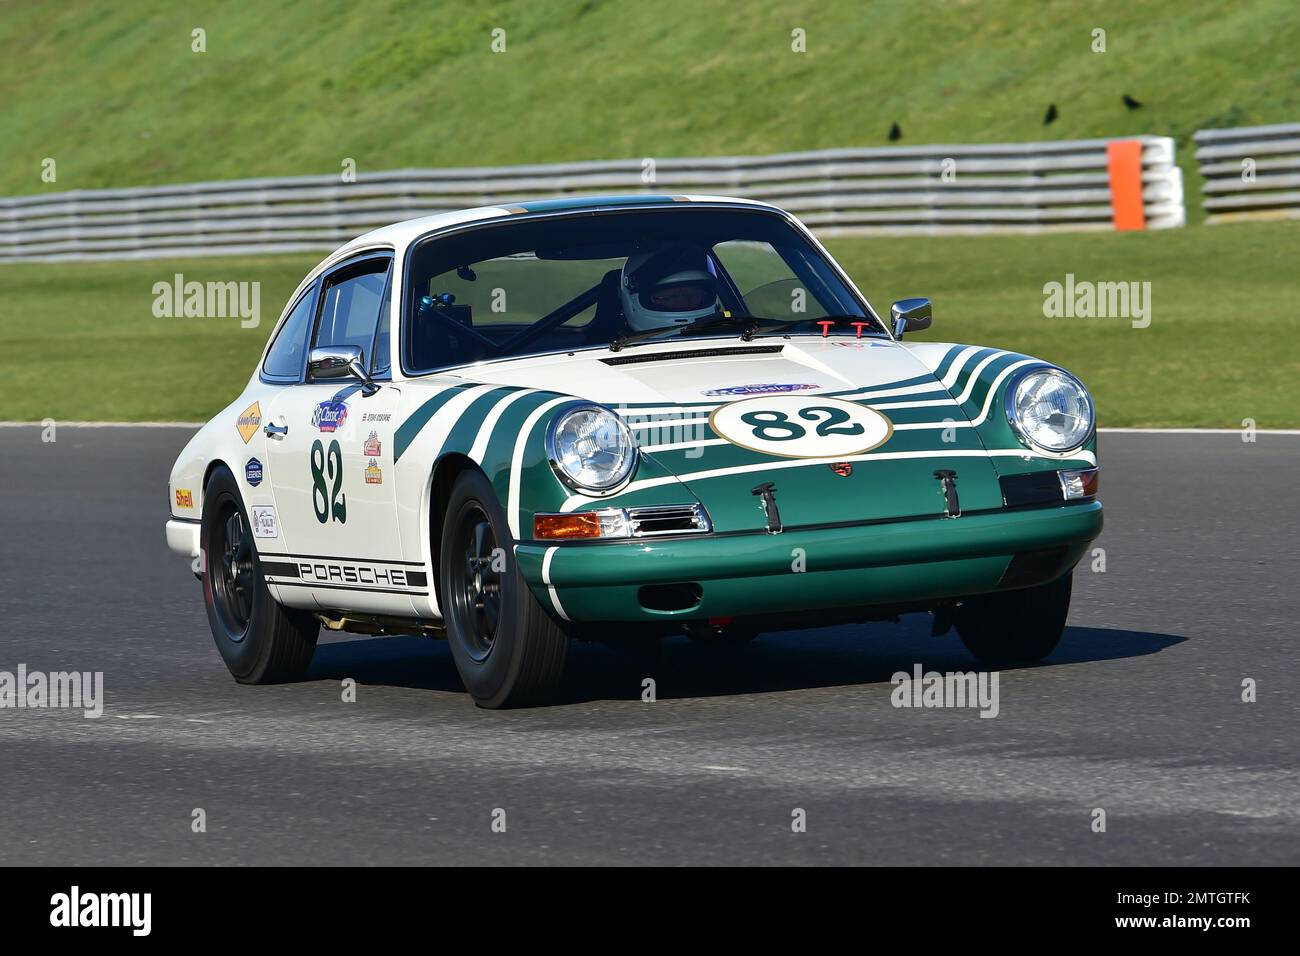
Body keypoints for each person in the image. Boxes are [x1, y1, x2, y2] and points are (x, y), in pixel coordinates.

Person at [618, 242, 719, 333]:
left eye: (691, 295)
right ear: (631, 301)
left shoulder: (729, 333)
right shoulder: (610, 353)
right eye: (667, 297)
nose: (682, 303)